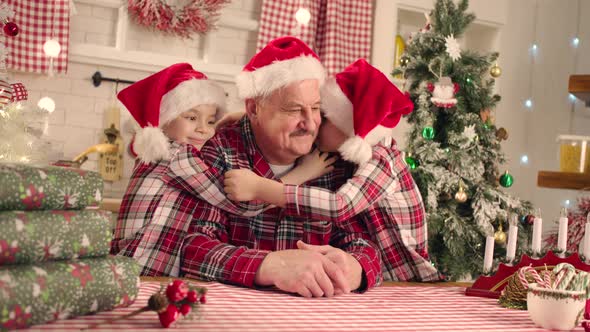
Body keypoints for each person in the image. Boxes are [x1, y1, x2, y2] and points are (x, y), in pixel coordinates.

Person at [179, 36, 383, 298]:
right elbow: (193, 248)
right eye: (294, 110)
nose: (310, 124)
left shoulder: (336, 158)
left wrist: (354, 267)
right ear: (253, 109)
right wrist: (272, 265)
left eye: (316, 108)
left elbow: (366, 246)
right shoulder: (220, 151)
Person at [224, 59, 443, 281]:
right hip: (376, 278)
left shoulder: (382, 161)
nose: (314, 124)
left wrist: (261, 188)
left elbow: (340, 206)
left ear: (348, 127)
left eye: (323, 115)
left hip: (408, 278)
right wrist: (245, 118)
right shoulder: (342, 157)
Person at [111, 63, 334, 277]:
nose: (202, 129)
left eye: (209, 121)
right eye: (191, 117)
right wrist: (303, 174)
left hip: (139, 261)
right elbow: (238, 202)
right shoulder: (176, 156)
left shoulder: (166, 152)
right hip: (144, 264)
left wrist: (237, 119)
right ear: (165, 118)